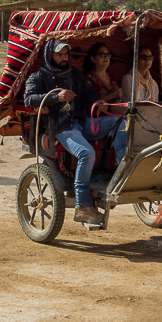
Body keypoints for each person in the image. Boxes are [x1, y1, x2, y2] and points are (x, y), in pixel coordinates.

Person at [24, 40, 121, 227]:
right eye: (59, 54)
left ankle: (123, 169)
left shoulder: (75, 74)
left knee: (121, 123)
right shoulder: (38, 77)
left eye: (66, 55)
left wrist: (96, 102)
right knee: (86, 153)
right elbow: (29, 100)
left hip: (82, 123)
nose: (63, 58)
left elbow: (89, 93)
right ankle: (82, 205)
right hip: (61, 127)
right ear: (49, 55)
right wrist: (55, 97)